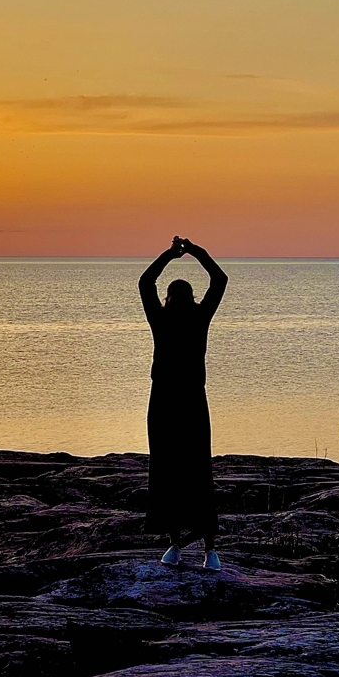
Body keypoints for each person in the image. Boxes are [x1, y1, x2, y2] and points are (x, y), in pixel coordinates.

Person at [138, 236, 228, 570]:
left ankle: (180, 546)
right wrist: (194, 251)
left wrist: (170, 254)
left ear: (168, 297)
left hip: (167, 403)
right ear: (191, 297)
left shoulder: (162, 319)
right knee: (193, 471)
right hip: (185, 402)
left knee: (170, 472)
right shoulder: (199, 316)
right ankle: (206, 550)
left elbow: (145, 281)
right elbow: (219, 279)